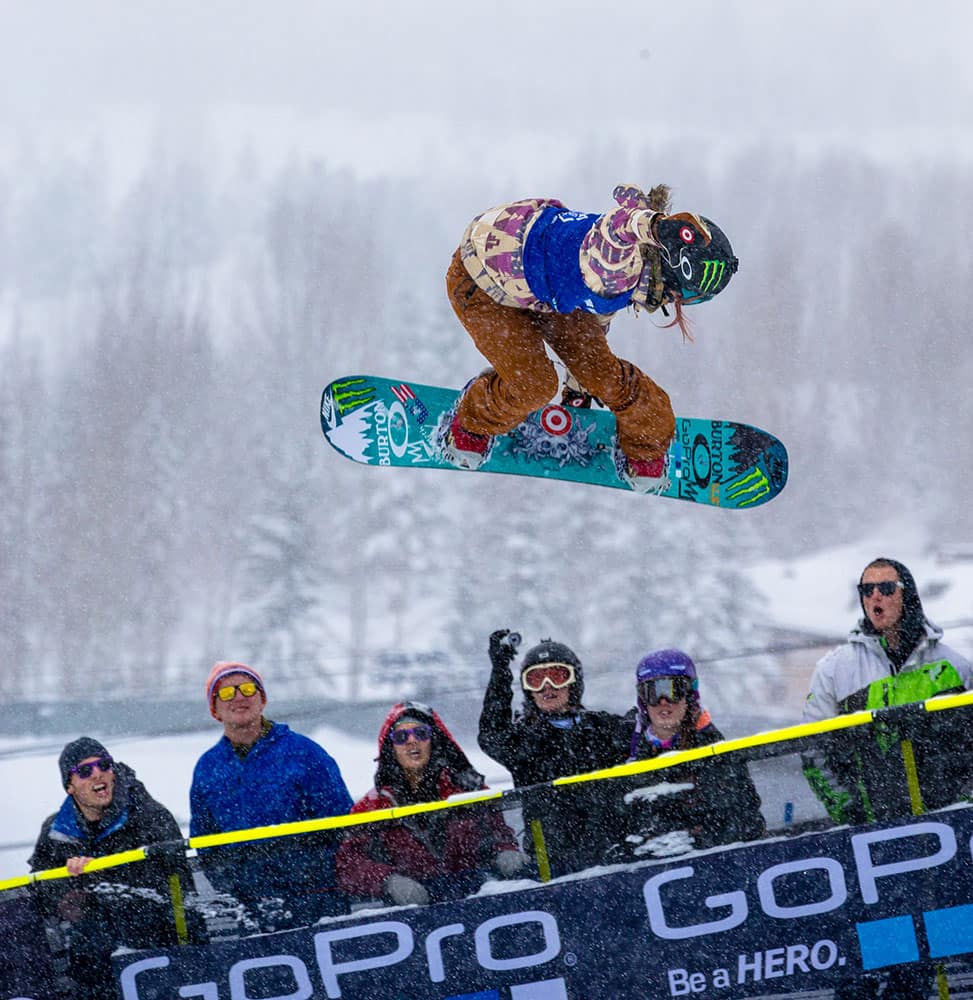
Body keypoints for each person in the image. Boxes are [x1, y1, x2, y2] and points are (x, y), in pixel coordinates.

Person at [440, 184, 738, 493]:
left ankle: (647, 444)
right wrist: (654, 225)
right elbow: (616, 227)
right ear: (675, 271)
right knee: (534, 385)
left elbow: (594, 320)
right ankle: (470, 422)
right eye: (688, 295)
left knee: (603, 375)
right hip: (482, 280)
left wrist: (579, 386)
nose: (679, 301)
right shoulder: (616, 265)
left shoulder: (630, 282)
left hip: (547, 287)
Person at [801, 558, 973, 1000]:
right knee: (894, 963)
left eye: (886, 587)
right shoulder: (836, 670)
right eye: (866, 588)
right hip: (877, 849)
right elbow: (813, 753)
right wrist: (854, 812)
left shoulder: (954, 667)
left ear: (908, 593)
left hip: (946, 840)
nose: (875, 596)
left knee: (958, 955)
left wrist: (962, 805)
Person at [29, 736, 202, 998]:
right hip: (92, 962)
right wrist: (68, 890)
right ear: (70, 787)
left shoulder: (150, 816)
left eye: (104, 765)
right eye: (85, 771)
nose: (97, 774)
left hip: (157, 946)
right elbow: (39, 893)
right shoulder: (55, 832)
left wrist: (100, 874)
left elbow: (175, 885)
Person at [190, 661, 353, 928]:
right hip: (250, 908)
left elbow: (342, 822)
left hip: (317, 901)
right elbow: (206, 842)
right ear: (215, 710)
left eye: (247, 688)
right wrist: (234, 884)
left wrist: (310, 875)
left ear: (262, 700)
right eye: (227, 693)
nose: (239, 697)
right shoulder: (208, 768)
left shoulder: (304, 752)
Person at [336, 702, 524, 906]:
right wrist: (389, 881)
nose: (411, 742)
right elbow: (348, 864)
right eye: (401, 737)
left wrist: (505, 853)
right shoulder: (372, 807)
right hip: (411, 913)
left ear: (434, 740)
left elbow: (498, 835)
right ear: (390, 748)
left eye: (421, 733)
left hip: (478, 898)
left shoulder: (470, 791)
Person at [478, 630, 630, 877]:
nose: (548, 687)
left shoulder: (601, 728)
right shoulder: (524, 739)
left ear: (573, 682)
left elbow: (650, 733)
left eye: (558, 676)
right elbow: (491, 734)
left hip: (610, 851)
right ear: (528, 689)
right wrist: (500, 672)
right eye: (536, 680)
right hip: (552, 861)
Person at [610, 649, 765, 860]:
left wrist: (698, 841)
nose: (664, 702)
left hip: (704, 863)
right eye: (652, 692)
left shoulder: (713, 750)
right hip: (640, 868)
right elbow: (608, 817)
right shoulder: (622, 745)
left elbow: (745, 818)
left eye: (674, 690)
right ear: (642, 700)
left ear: (690, 695)